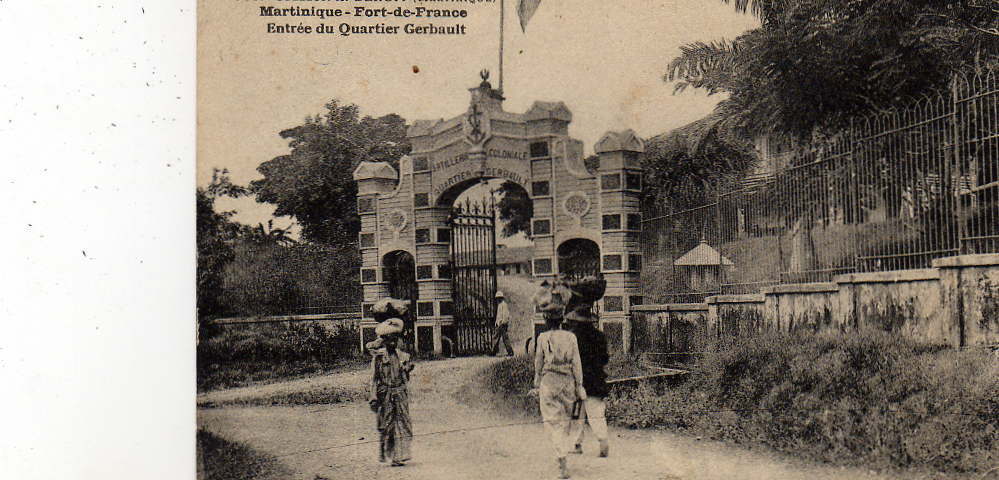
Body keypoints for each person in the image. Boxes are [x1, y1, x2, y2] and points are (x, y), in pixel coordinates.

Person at [530, 310, 586, 479]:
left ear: (547, 320)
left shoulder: (542, 338)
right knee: (568, 419)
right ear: (561, 320)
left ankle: (561, 456)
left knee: (552, 422)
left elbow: (538, 363)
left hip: (549, 383)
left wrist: (536, 384)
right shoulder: (571, 337)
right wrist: (579, 384)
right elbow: (576, 363)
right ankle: (568, 449)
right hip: (567, 382)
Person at [367, 299, 415, 467]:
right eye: (389, 339)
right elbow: (374, 378)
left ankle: (399, 456)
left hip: (400, 393)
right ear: (384, 341)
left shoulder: (402, 356)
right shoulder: (379, 358)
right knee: (387, 425)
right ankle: (389, 453)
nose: (393, 342)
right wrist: (373, 396)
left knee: (403, 423)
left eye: (395, 339)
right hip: (386, 393)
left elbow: (404, 376)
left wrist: (407, 370)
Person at [565, 306, 611, 458]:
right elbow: (605, 358)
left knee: (577, 412)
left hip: (578, 379)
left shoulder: (573, 337)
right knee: (596, 411)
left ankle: (576, 443)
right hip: (596, 379)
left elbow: (570, 360)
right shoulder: (600, 336)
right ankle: (602, 440)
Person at [491, 290, 514, 356]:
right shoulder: (500, 305)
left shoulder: (504, 305)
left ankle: (509, 352)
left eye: (498, 298)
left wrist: (503, 322)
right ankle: (495, 351)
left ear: (501, 298)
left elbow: (506, 315)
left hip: (502, 324)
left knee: (501, 338)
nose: (497, 299)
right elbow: (498, 315)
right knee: (499, 338)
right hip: (499, 324)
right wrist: (496, 322)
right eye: (497, 298)